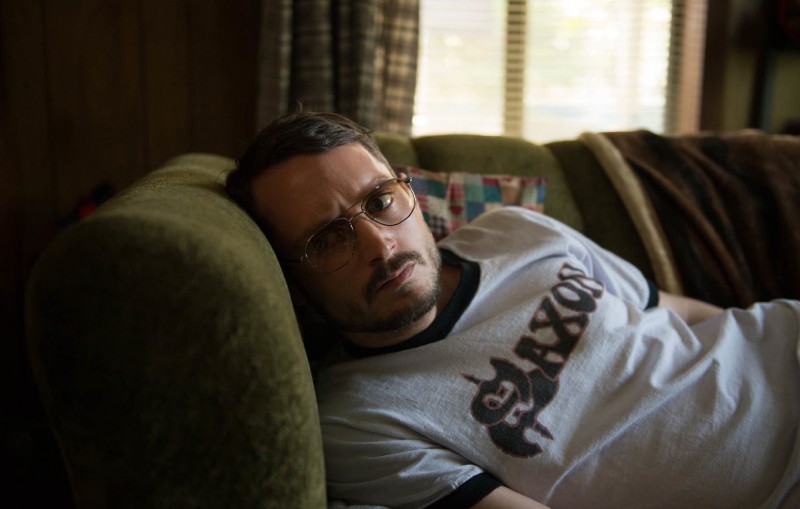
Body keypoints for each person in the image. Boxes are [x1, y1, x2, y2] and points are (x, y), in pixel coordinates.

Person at [226, 111, 800, 509]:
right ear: (293, 285)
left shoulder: (515, 230)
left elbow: (684, 313)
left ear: (410, 193)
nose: (380, 243)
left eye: (381, 200)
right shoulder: (358, 421)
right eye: (328, 240)